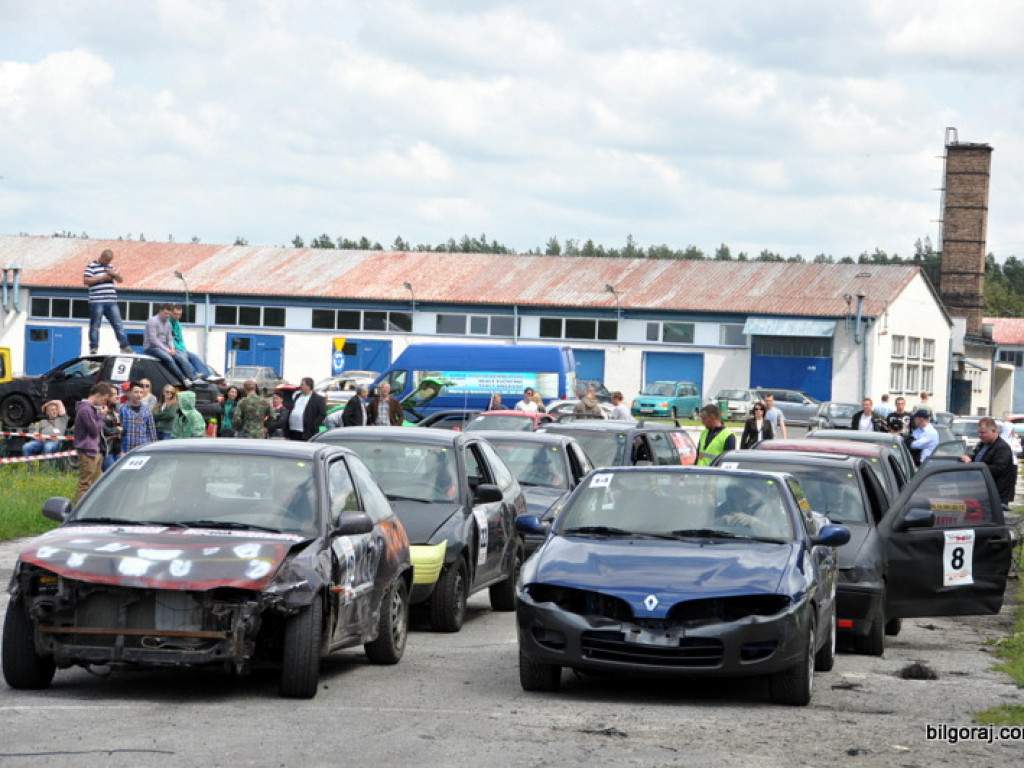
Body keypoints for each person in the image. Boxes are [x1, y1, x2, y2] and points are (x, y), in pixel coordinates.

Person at [74, 382, 118, 503]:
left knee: (95, 484)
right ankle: (78, 512)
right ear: (98, 395)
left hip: (96, 450)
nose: (105, 403)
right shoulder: (85, 410)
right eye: (104, 399)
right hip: (87, 450)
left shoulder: (92, 409)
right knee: (85, 484)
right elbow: (94, 430)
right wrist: (102, 416)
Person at [82, 249, 132, 355]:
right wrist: (102, 278)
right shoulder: (91, 266)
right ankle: (94, 348)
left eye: (110, 261)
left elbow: (120, 280)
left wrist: (114, 274)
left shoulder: (111, 267)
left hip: (111, 300)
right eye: (107, 261)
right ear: (102, 257)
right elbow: (86, 281)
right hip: (97, 300)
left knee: (118, 324)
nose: (108, 263)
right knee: (95, 325)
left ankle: (124, 346)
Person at [960, 417, 1015, 508]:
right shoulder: (983, 444)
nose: (980, 435)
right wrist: (969, 458)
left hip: (995, 494)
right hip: (981, 490)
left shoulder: (1002, 448)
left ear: (993, 431)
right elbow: (976, 457)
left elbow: (998, 469)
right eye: (979, 432)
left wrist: (972, 465)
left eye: (983, 433)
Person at [144, 303, 199, 385]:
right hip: (152, 348)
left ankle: (192, 377)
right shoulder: (152, 321)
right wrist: (166, 349)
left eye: (169, 314)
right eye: (165, 313)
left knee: (180, 356)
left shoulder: (168, 324)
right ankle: (184, 379)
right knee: (169, 359)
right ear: (160, 311)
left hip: (165, 348)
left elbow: (169, 339)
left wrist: (172, 348)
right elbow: (153, 340)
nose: (167, 316)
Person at [169, 304, 212, 378]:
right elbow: (171, 339)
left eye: (179, 314)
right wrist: (180, 350)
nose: (178, 316)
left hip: (181, 349)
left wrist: (184, 350)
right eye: (176, 314)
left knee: (194, 357)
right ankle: (194, 375)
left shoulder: (178, 324)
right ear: (171, 313)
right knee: (183, 359)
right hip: (173, 348)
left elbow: (180, 339)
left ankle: (207, 375)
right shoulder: (167, 323)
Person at [118, 380, 157, 453]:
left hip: (141, 449)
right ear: (130, 392)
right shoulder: (121, 409)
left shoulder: (146, 411)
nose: (139, 395)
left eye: (141, 392)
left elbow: (151, 432)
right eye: (136, 392)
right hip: (125, 449)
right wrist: (120, 451)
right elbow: (118, 430)